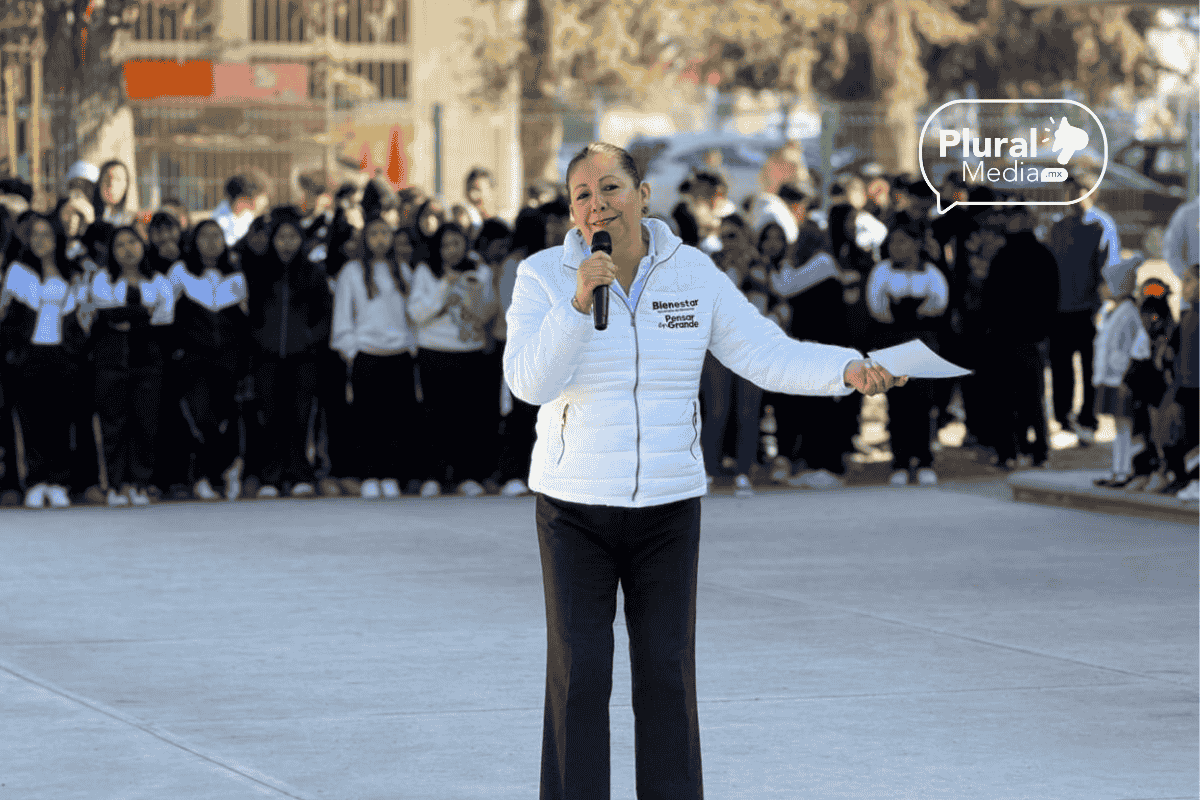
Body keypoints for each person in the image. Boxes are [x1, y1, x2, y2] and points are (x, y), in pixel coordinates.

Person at [503, 141, 906, 800]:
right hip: (573, 507)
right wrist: (577, 306)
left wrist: (846, 368)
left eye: (610, 187)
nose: (596, 203)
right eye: (582, 193)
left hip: (667, 508)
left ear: (642, 195)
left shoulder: (694, 274)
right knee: (580, 673)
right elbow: (527, 383)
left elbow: (766, 353)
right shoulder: (544, 276)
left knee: (666, 672)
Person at [0, 213, 90, 508]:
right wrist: (15, 351)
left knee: (61, 420)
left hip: (62, 354)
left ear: (57, 238)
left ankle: (59, 480)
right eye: (34, 235)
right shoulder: (17, 272)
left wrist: (74, 351)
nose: (40, 240)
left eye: (46, 234)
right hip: (29, 355)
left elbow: (81, 318)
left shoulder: (72, 273)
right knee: (31, 420)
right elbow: (6, 315)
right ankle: (36, 481)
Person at [242, 207, 332, 499]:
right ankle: (271, 476)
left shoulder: (314, 274)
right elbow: (250, 315)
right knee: (270, 417)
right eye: (281, 237)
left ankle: (299, 474)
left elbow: (324, 317)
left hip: (302, 359)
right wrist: (259, 340)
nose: (287, 243)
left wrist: (309, 339)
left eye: (293, 237)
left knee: (300, 416)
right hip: (267, 359)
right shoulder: (259, 273)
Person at [408, 221, 499, 497]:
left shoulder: (480, 272)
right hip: (434, 349)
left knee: (468, 417)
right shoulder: (426, 272)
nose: (451, 250)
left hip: (469, 352)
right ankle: (434, 475)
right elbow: (417, 313)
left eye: (457, 243)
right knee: (435, 416)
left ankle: (467, 475)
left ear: (466, 245)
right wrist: (444, 289)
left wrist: (469, 292)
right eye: (445, 244)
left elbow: (486, 313)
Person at [331, 216, 419, 500]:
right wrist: (352, 350)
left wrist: (411, 346)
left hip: (399, 354)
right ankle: (369, 474)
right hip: (367, 354)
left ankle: (391, 474)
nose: (380, 239)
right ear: (364, 239)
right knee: (367, 419)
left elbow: (413, 314)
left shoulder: (403, 270)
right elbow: (343, 316)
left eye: (385, 233)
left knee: (397, 418)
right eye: (374, 234)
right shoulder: (351, 272)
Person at [89, 225, 177, 506]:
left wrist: (126, 317)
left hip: (149, 360)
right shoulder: (102, 279)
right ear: (112, 252)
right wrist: (143, 313)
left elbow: (164, 320)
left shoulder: (160, 281)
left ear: (143, 245)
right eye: (120, 245)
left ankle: (140, 483)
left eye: (133, 242)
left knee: (145, 422)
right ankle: (115, 485)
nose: (128, 249)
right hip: (110, 361)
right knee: (114, 423)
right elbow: (105, 315)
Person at [167, 219, 249, 501]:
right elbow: (167, 314)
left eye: (218, 236)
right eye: (205, 236)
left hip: (228, 360)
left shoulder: (237, 276)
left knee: (226, 417)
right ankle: (205, 474)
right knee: (201, 417)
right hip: (194, 361)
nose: (212, 242)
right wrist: (178, 351)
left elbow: (244, 321)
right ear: (194, 241)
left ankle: (224, 472)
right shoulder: (180, 273)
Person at [865, 213, 949, 485]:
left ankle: (924, 459)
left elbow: (938, 303)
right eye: (893, 242)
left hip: (924, 344)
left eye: (902, 242)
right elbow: (878, 309)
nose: (896, 248)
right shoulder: (882, 272)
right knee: (898, 404)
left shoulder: (932, 272)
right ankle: (900, 461)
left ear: (916, 244)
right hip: (894, 342)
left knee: (923, 404)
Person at [1046, 176, 1109, 445]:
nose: (1073, 198)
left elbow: (1107, 269)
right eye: (1069, 193)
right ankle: (1063, 418)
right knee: (1061, 368)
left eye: (1079, 192)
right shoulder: (1057, 228)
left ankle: (1089, 418)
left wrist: (1101, 306)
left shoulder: (1100, 227)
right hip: (1059, 310)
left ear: (1091, 194)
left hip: (1088, 310)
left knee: (1091, 368)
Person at [493, 208, 547, 497]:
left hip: (542, 346)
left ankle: (534, 472)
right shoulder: (516, 264)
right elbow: (510, 307)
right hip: (519, 345)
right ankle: (513, 473)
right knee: (517, 412)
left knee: (539, 412)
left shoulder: (542, 262)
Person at [1091, 254, 1149, 487]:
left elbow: (1133, 347)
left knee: (1125, 427)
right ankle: (1119, 469)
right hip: (1112, 377)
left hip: (1121, 378)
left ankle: (1125, 470)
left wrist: (1123, 372)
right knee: (1119, 427)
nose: (1100, 289)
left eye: (1105, 283)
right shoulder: (1113, 312)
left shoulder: (1127, 314)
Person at [92, 160, 138, 227]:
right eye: (107, 179)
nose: (112, 184)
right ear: (99, 183)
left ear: (126, 185)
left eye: (118, 179)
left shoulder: (132, 221)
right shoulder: (88, 217)